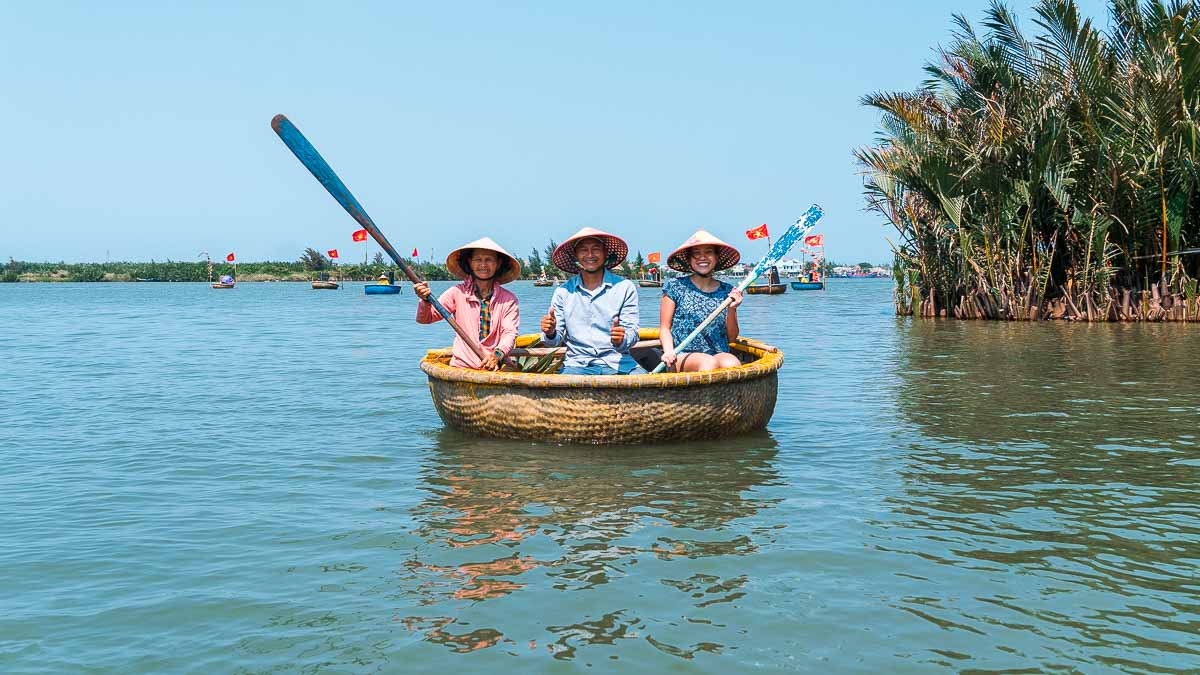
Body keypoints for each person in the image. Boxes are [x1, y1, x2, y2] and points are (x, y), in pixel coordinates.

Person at [539, 227, 640, 375]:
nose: (590, 255)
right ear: (575, 255)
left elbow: (633, 333)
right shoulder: (563, 292)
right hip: (577, 365)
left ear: (605, 253)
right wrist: (550, 332)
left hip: (619, 362)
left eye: (596, 249)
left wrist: (621, 339)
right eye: (583, 250)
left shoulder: (625, 288)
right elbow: (553, 341)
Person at [413, 237, 520, 371]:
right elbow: (425, 318)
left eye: (489, 260)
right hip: (462, 366)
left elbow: (509, 333)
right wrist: (424, 300)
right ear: (470, 262)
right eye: (478, 260)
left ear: (498, 264)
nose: (483, 265)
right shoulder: (457, 293)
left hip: (495, 368)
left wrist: (496, 355)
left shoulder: (508, 299)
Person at [659, 230, 744, 372]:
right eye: (696, 254)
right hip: (681, 355)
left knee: (732, 364)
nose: (702, 258)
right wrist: (668, 352)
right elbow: (664, 328)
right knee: (708, 363)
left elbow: (732, 338)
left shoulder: (727, 291)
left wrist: (732, 308)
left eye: (708, 252)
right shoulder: (675, 286)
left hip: (718, 352)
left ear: (716, 257)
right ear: (689, 259)